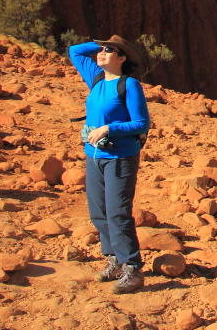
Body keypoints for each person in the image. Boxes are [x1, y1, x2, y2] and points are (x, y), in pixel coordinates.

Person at [69, 35, 150, 294]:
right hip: (94, 156)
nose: (101, 53)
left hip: (120, 157)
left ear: (122, 58)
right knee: (99, 212)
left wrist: (108, 128)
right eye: (102, 50)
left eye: (109, 51)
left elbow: (141, 123)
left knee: (117, 213)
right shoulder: (95, 78)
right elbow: (75, 52)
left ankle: (132, 269)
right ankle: (114, 260)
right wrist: (102, 43)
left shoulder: (129, 85)